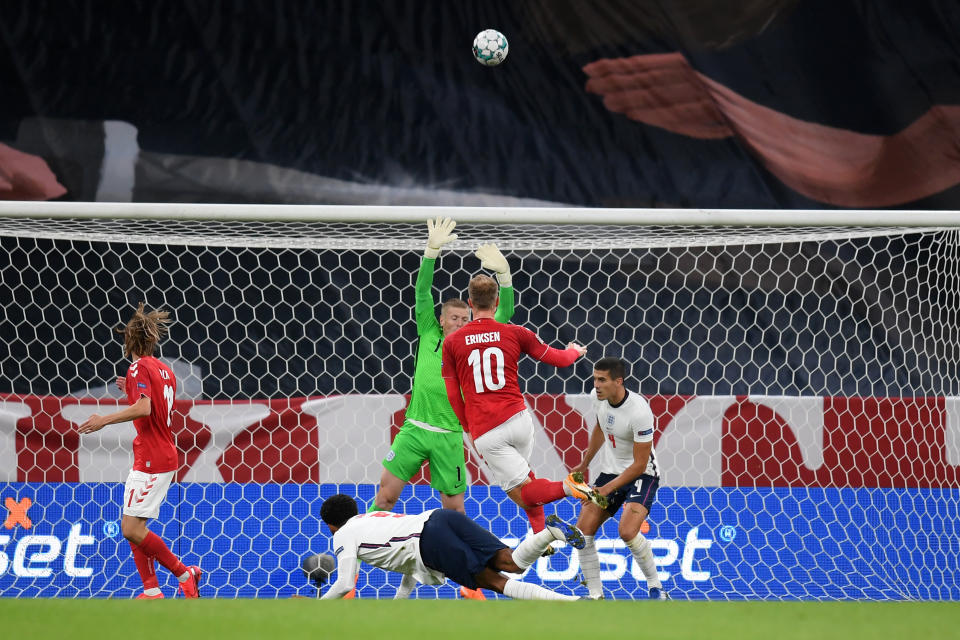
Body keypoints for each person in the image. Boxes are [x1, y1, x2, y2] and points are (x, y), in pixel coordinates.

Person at [369, 217, 515, 600]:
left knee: (455, 515)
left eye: (465, 318)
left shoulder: (476, 341)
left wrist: (505, 279)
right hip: (414, 430)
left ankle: (471, 582)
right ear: (441, 320)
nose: (461, 323)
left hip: (450, 437)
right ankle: (357, 562)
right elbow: (421, 293)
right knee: (385, 497)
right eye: (455, 319)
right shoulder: (430, 334)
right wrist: (431, 253)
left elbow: (505, 314)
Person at [442, 274, 607, 536]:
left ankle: (569, 487)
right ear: (496, 302)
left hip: (488, 431)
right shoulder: (516, 332)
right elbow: (559, 360)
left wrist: (469, 430)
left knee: (523, 494)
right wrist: (574, 351)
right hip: (519, 420)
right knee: (527, 484)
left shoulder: (452, 342)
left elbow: (453, 395)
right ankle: (542, 534)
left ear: (470, 304)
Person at [78, 303, 201, 600]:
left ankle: (185, 574)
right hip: (155, 453)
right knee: (134, 523)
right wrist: (130, 389)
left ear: (128, 341)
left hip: (153, 457)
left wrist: (102, 420)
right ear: (152, 340)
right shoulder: (163, 369)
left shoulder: (138, 367)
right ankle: (152, 590)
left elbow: (145, 408)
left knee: (131, 528)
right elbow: (154, 402)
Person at [318, 493, 586, 601]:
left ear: (331, 525)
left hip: (431, 543)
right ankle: (550, 533)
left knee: (497, 582)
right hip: (441, 517)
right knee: (511, 562)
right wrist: (399, 602)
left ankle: (573, 603)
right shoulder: (370, 518)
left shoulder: (342, 534)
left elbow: (344, 584)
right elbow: (409, 562)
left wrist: (318, 606)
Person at [569, 357, 667, 600]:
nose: (596, 384)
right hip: (610, 471)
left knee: (627, 531)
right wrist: (585, 462)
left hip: (642, 474)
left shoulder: (639, 411)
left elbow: (640, 464)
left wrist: (605, 489)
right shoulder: (597, 398)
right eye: (595, 379)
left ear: (619, 381)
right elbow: (601, 426)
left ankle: (656, 588)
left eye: (602, 380)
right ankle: (595, 595)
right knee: (584, 531)